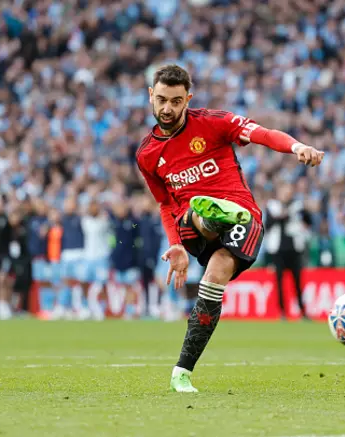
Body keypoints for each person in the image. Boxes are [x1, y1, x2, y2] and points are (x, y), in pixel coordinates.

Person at [136, 65, 324, 392]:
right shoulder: (147, 155)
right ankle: (207, 217)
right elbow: (165, 204)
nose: (168, 109)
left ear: (188, 99)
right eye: (162, 100)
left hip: (245, 220)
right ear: (151, 96)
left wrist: (296, 147)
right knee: (191, 212)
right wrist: (175, 245)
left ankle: (182, 371)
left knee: (214, 277)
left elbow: (262, 133)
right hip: (191, 232)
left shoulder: (213, 122)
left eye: (177, 101)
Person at [265, 182, 311, 320]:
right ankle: (282, 312)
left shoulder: (298, 206)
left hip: (295, 248)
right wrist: (281, 216)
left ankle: (302, 311)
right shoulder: (272, 206)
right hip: (278, 250)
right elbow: (267, 225)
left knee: (297, 281)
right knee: (279, 281)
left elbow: (308, 221)